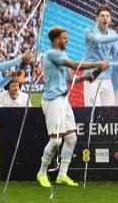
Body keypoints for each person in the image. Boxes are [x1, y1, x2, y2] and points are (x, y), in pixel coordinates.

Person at [37, 26, 108, 188]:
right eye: (64, 37)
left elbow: (70, 79)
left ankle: (62, 175)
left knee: (71, 138)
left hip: (63, 100)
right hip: (52, 100)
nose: (67, 39)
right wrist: (98, 63)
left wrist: (89, 76)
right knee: (55, 141)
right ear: (56, 40)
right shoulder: (52, 54)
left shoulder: (61, 55)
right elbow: (75, 65)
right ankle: (41, 173)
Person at [83, 4, 118, 107]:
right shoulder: (89, 31)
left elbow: (116, 54)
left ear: (110, 19)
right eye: (102, 15)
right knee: (92, 111)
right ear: (96, 18)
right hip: (92, 76)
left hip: (107, 78)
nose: (105, 18)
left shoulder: (113, 33)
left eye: (107, 16)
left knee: (109, 111)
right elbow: (100, 40)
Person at [0, 35, 31, 123]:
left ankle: (5, 136)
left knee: (8, 118)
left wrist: (10, 76)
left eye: (0, 45)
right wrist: (20, 58)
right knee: (8, 118)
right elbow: (0, 67)